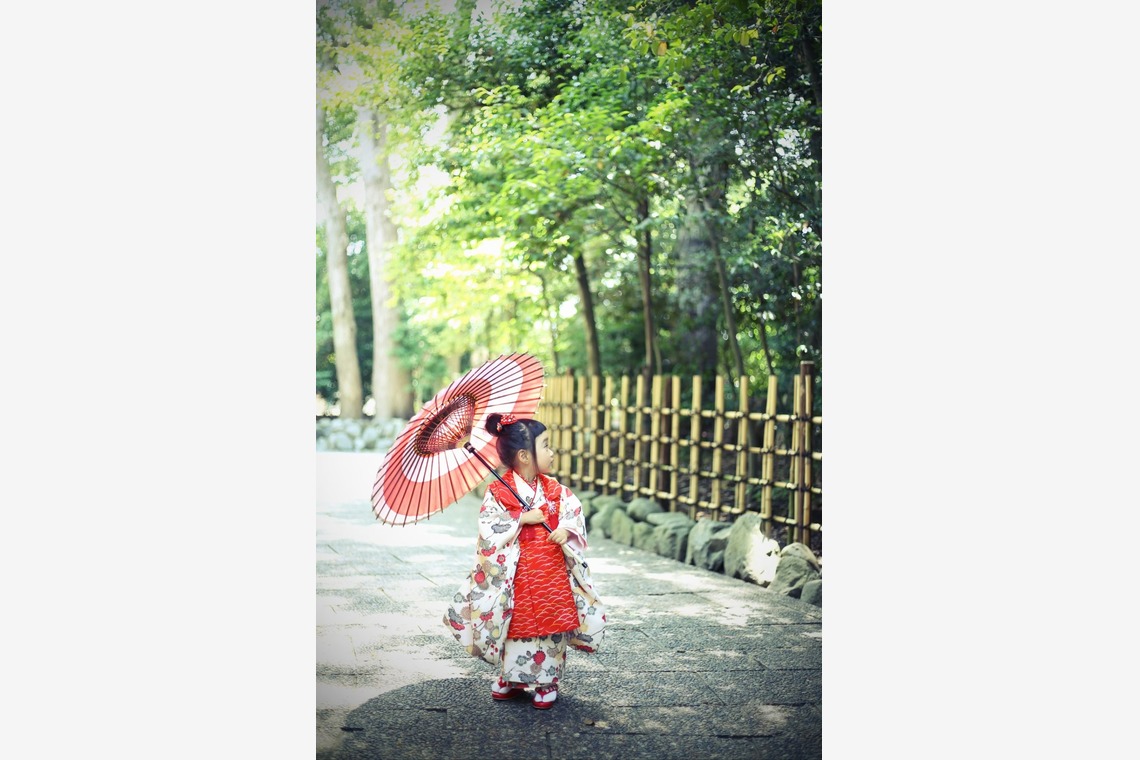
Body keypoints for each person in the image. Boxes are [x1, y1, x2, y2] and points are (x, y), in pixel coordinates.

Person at [444, 412, 606, 710]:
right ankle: (511, 678)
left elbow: (574, 512)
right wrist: (520, 518)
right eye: (546, 446)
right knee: (515, 624)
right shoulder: (498, 492)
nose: (552, 452)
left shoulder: (555, 490)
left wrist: (565, 529)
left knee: (550, 624)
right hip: (515, 574)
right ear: (524, 456)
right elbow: (488, 527)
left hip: (550, 572)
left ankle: (547, 681)